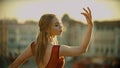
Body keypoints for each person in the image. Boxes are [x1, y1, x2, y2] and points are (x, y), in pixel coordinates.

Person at [9, 7, 93, 68]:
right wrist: (90, 26)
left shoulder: (34, 46)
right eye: (56, 25)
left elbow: (14, 64)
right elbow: (82, 49)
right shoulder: (58, 50)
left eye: (60, 24)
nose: (61, 27)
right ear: (47, 29)